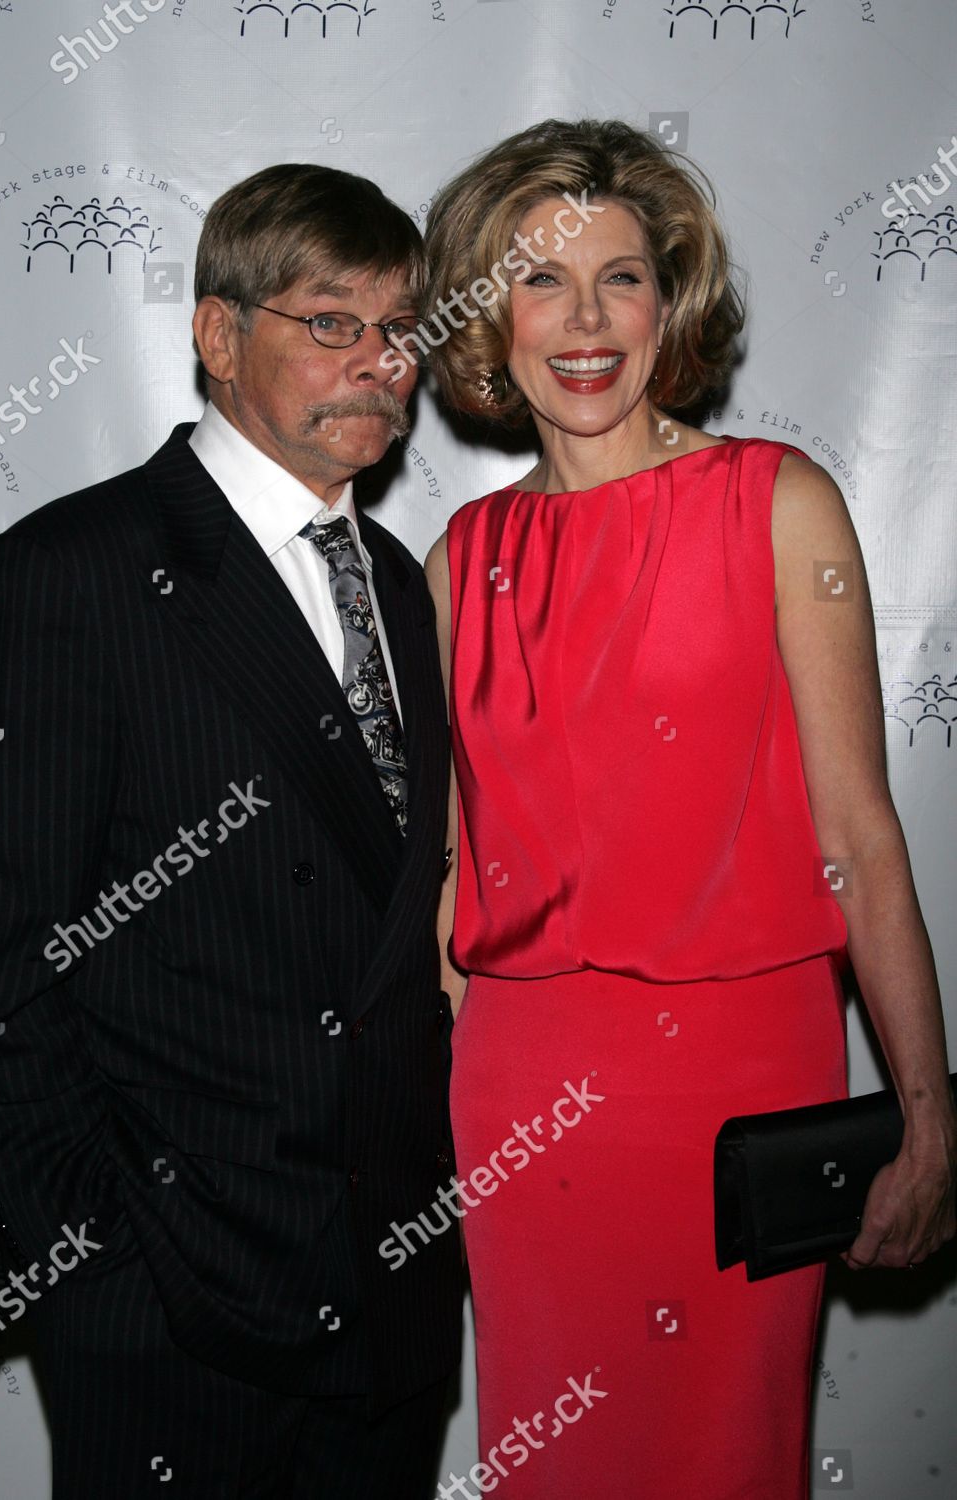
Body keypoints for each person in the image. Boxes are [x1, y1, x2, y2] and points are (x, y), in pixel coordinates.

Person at [422, 119, 957, 1499]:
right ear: (491, 316)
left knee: (722, 1452)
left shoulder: (776, 505)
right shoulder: (456, 561)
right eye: (542, 280)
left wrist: (927, 1111)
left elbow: (859, 841)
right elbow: (449, 869)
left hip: (738, 1074)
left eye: (624, 277)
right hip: (524, 1093)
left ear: (675, 305)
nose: (586, 320)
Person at [0, 163, 462, 1498]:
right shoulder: (67, 575)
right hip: (173, 1306)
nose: (377, 362)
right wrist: (98, 1261)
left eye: (401, 328)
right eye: (329, 320)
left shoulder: (402, 588)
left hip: (387, 1279)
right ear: (219, 335)